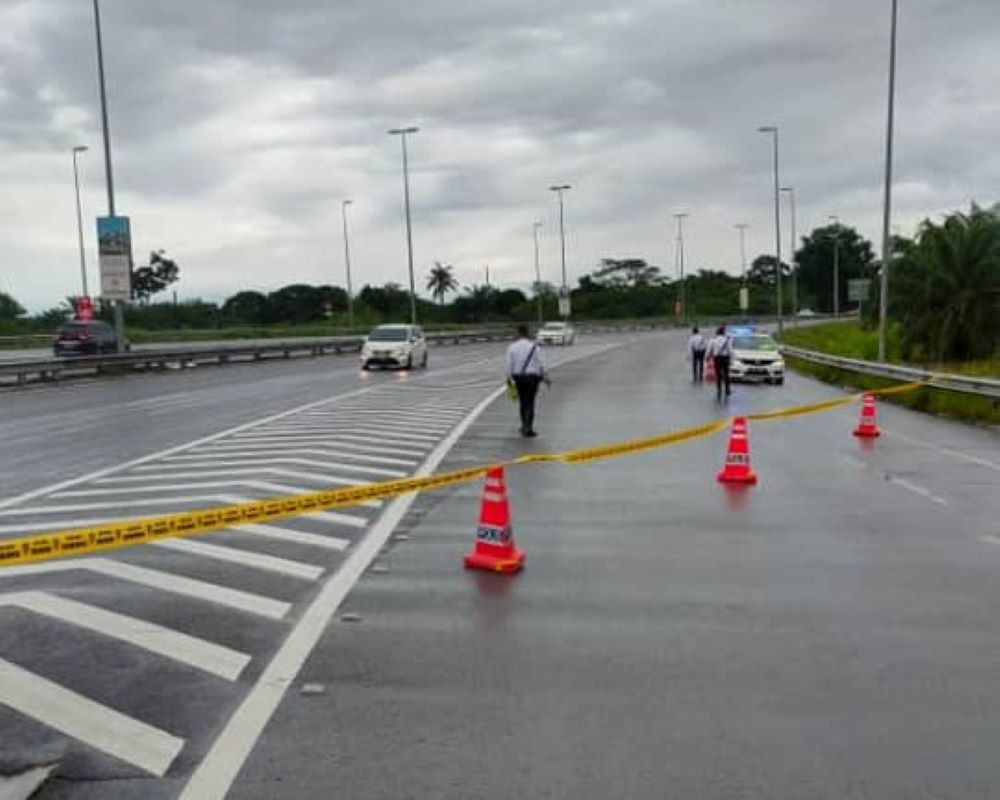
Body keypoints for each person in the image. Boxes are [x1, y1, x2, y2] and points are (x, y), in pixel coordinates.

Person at [507, 324, 548, 437]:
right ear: (527, 333)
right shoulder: (534, 347)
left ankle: (524, 425)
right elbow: (541, 363)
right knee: (530, 402)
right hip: (532, 378)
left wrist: (509, 379)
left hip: (518, 377)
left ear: (519, 333)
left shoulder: (512, 347)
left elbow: (510, 365)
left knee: (522, 402)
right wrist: (545, 376)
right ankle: (528, 427)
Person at [707, 324, 732, 401]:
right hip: (725, 358)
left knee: (718, 374)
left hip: (717, 358)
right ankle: (727, 389)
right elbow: (730, 350)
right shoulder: (727, 340)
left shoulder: (713, 340)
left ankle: (719, 389)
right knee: (726, 374)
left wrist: (707, 357)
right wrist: (731, 358)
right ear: (723, 332)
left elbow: (709, 349)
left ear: (717, 332)